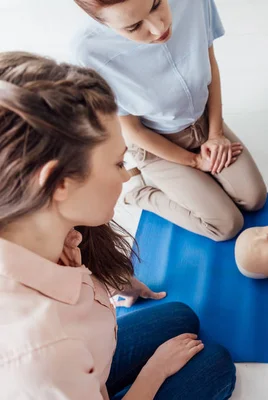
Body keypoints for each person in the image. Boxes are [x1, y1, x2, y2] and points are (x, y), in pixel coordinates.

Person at [0, 52, 236, 400]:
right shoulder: (41, 355)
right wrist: (153, 374)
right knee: (216, 364)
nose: (126, 175)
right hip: (69, 372)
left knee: (181, 318)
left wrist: (104, 284)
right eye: (117, 162)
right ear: (58, 182)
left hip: (91, 354)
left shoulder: (32, 221)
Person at [72, 0, 267, 241]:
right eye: (133, 27)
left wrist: (216, 134)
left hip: (203, 123)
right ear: (101, 22)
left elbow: (210, 65)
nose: (159, 28)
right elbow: (133, 130)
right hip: (155, 143)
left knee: (255, 199)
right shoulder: (90, 52)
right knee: (226, 225)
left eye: (156, 4)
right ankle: (141, 192)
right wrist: (194, 162)